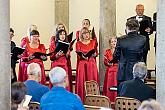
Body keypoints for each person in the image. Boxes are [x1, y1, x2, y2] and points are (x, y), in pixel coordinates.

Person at [112, 19, 146, 85]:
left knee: (123, 93)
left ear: (127, 28)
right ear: (138, 28)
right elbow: (143, 53)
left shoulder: (121, 39)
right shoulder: (143, 39)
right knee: (136, 93)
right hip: (138, 72)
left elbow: (115, 56)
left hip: (124, 72)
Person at [76, 27, 99, 102]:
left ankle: (94, 100)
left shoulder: (93, 42)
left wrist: (95, 54)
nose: (86, 35)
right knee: (83, 82)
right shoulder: (78, 43)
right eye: (84, 33)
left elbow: (96, 52)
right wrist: (82, 56)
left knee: (92, 80)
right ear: (81, 35)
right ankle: (82, 100)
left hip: (91, 63)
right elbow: (78, 55)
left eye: (87, 33)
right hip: (82, 64)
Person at [49, 23, 72, 91]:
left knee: (64, 83)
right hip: (56, 65)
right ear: (57, 35)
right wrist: (57, 55)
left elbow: (68, 56)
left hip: (64, 65)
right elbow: (51, 57)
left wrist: (67, 54)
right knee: (55, 83)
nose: (62, 36)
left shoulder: (67, 44)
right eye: (61, 34)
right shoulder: (53, 44)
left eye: (64, 34)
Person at [102, 37, 118, 102]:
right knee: (109, 86)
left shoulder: (119, 51)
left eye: (115, 41)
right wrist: (108, 63)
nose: (113, 43)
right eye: (112, 42)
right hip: (110, 71)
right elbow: (105, 61)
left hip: (117, 70)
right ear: (110, 43)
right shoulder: (107, 51)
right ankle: (108, 100)